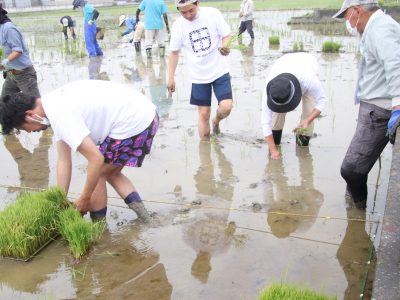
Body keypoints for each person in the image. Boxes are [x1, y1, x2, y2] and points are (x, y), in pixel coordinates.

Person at [0, 80, 159, 223]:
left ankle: (99, 228)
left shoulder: (60, 114)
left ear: (29, 115)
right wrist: (60, 200)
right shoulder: (51, 105)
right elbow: (64, 160)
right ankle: (146, 218)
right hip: (142, 112)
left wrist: (84, 198)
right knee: (110, 172)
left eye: (22, 128)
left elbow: (96, 159)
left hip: (135, 120)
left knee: (100, 172)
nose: (27, 132)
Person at [333, 0, 400, 209]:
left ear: (357, 11)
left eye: (346, 16)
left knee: (351, 170)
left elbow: (395, 63)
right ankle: (352, 199)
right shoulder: (371, 26)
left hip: (379, 110)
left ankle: (358, 212)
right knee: (355, 167)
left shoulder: (381, 28)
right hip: (370, 106)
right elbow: (353, 27)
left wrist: (398, 106)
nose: (348, 23)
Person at [167, 0, 233, 139]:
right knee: (203, 113)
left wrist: (225, 45)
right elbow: (174, 52)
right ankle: (205, 154)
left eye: (191, 10)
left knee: (226, 107)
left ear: (198, 3)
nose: (188, 15)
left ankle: (216, 121)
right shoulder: (178, 25)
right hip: (198, 75)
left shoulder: (212, 14)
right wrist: (171, 77)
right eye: (183, 12)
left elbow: (226, 35)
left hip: (219, 70)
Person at [261, 52, 328, 160]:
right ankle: (276, 143)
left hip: (306, 62)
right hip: (283, 63)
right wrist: (273, 150)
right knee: (278, 113)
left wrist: (307, 120)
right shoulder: (271, 89)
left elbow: (322, 100)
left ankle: (302, 149)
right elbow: (265, 122)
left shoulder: (308, 78)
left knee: (309, 111)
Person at [0, 5, 40, 99]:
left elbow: (17, 50)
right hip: (11, 73)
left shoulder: (8, 29)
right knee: (4, 102)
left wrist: (5, 61)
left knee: (35, 105)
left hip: (24, 74)